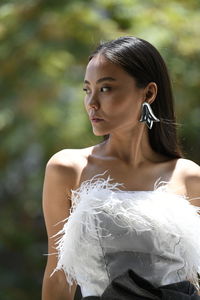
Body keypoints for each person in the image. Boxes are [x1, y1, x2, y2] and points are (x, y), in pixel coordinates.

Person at [42, 36, 200, 300]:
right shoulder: (67, 168)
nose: (92, 102)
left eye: (105, 89)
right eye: (87, 90)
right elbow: (58, 276)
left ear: (148, 93)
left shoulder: (190, 177)